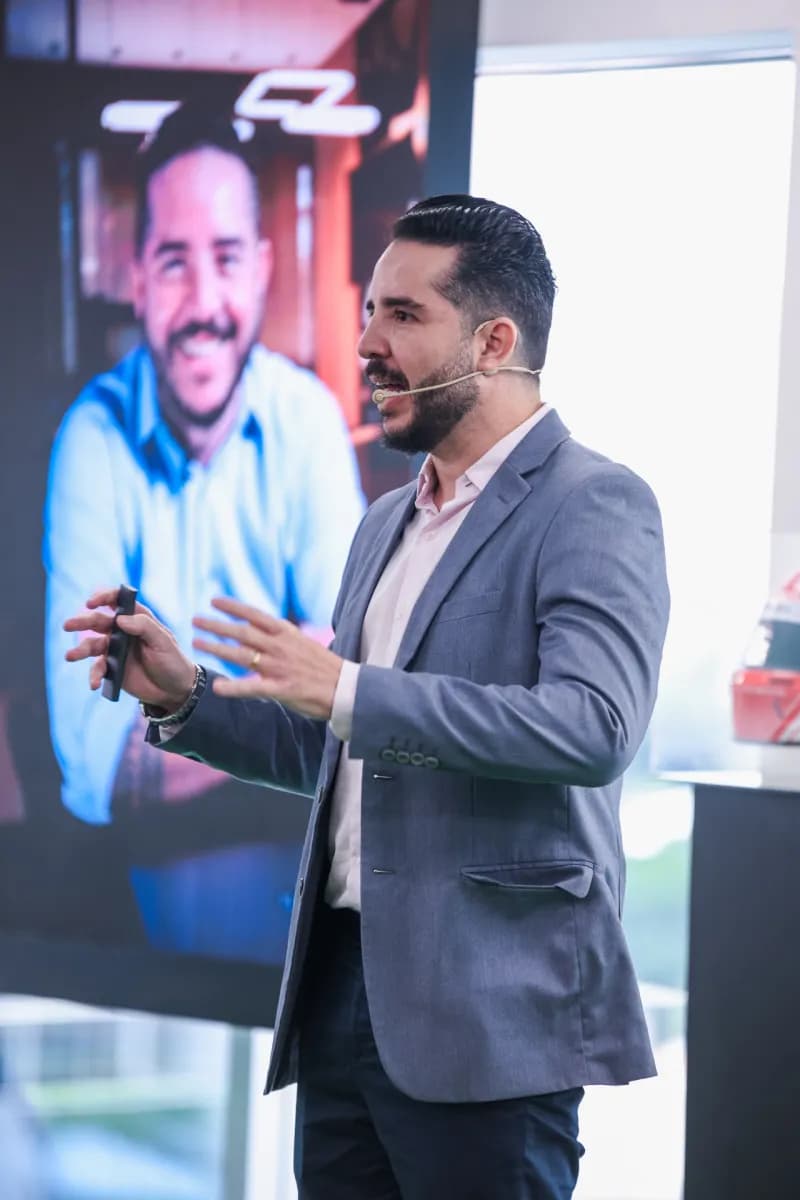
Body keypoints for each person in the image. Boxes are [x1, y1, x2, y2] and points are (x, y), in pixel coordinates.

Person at [64, 195, 670, 1199]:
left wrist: (346, 686)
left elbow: (592, 727)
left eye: (402, 314)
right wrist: (186, 698)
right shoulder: (384, 523)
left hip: (487, 1023)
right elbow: (342, 743)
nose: (366, 344)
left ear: (494, 342)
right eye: (368, 313)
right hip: (342, 996)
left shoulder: (593, 502)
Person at [45, 103, 365, 960]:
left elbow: (356, 690)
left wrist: (174, 700)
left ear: (261, 271)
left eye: (225, 259)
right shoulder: (92, 438)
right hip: (134, 922)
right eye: (173, 263)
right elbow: (93, 766)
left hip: (306, 913)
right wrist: (287, 676)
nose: (203, 304)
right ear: (137, 279)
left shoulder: (307, 421)